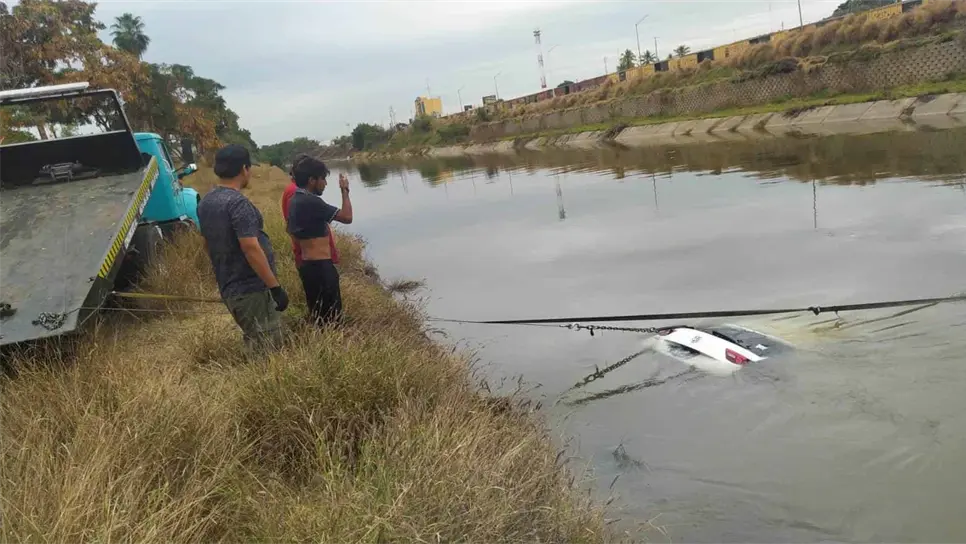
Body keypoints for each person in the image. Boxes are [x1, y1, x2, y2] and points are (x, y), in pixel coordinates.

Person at [197, 144, 289, 352]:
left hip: (230, 289)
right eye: (249, 168)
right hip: (252, 291)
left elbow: (206, 243)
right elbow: (250, 247)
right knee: (266, 349)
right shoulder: (238, 204)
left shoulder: (206, 202)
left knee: (255, 339)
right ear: (244, 169)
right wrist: (275, 288)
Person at [286, 156, 353, 326]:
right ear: (312, 180)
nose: (325, 183)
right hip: (321, 269)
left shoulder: (295, 200)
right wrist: (345, 190)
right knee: (333, 319)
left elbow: (291, 231)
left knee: (319, 316)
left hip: (308, 266)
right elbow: (347, 217)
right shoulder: (311, 201)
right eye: (323, 179)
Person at [281, 154, 340, 267]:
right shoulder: (296, 193)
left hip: (312, 257)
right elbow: (294, 228)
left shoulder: (299, 193)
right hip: (313, 260)